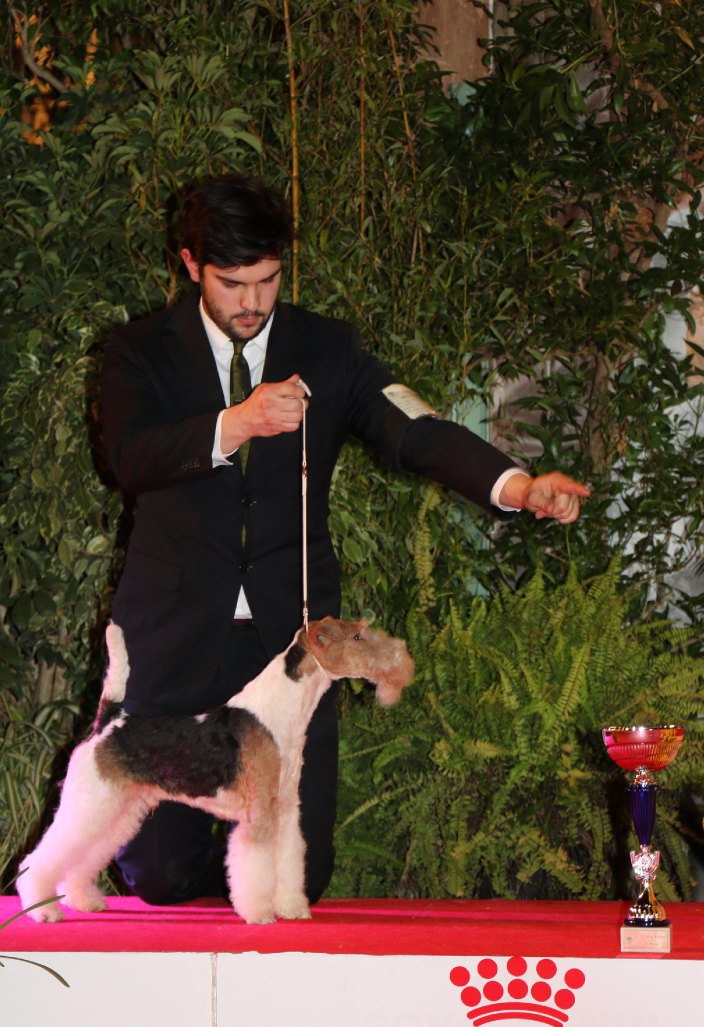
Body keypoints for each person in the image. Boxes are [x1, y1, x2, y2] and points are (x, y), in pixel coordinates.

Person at [99, 174, 590, 907]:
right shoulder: (139, 350)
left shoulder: (328, 347)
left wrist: (515, 486)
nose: (254, 302)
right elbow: (127, 458)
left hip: (291, 647)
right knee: (159, 876)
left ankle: (247, 918)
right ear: (192, 264)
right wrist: (237, 423)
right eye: (233, 283)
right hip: (172, 640)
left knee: (304, 871)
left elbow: (413, 428)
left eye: (268, 280)